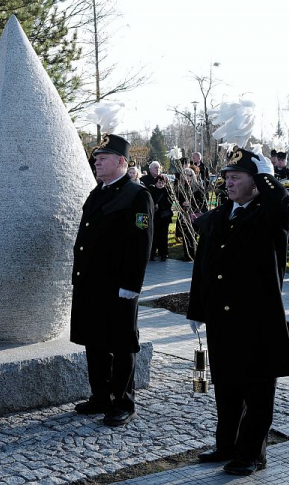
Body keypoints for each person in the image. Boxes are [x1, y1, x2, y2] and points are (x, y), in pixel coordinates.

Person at [188, 147, 289, 476]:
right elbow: (202, 268)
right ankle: (227, 445)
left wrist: (266, 176)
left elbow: (285, 207)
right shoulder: (219, 216)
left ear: (256, 182)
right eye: (226, 178)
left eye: (237, 177)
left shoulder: (269, 216)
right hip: (221, 320)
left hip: (256, 319)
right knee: (225, 386)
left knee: (257, 390)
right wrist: (197, 309)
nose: (228, 183)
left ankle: (252, 454)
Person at [70, 133, 153, 427]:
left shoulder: (136, 194)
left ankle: (123, 402)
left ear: (121, 161)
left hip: (118, 286)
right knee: (94, 342)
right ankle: (101, 396)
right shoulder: (99, 191)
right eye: (96, 158)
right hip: (91, 283)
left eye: (102, 158)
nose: (97, 163)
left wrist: (132, 285)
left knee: (121, 344)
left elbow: (140, 244)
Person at [174, 166, 208, 261]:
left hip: (195, 214)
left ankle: (194, 255)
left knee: (194, 235)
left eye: (189, 175)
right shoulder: (180, 187)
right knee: (186, 235)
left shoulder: (198, 187)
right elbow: (177, 199)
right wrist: (182, 203)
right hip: (184, 214)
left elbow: (202, 203)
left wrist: (191, 204)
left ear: (192, 176)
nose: (187, 177)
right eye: (185, 175)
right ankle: (187, 255)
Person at [150, 174, 172, 261]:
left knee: (163, 236)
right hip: (155, 217)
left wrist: (161, 206)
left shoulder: (167, 191)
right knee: (154, 236)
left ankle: (163, 253)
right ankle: (152, 253)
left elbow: (170, 203)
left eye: (163, 183)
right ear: (155, 182)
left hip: (164, 217)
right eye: (159, 182)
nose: (161, 184)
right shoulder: (151, 190)